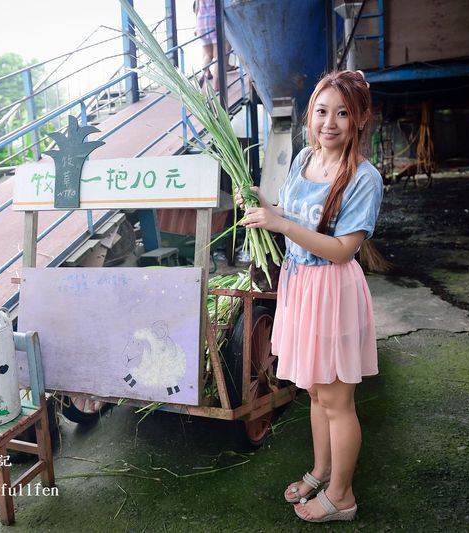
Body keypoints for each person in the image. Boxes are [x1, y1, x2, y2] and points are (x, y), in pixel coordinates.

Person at [236, 70, 382, 523]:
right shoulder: (303, 159)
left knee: (338, 401)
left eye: (343, 113)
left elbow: (342, 249)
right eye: (322, 111)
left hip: (333, 291)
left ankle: (342, 495)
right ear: (309, 117)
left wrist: (281, 225)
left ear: (360, 119)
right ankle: (321, 472)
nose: (330, 122)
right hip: (299, 285)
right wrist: (265, 206)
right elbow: (293, 217)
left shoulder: (363, 177)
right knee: (316, 393)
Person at [193, 0, 236, 90]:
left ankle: (205, 73)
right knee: (218, 57)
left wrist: (196, 26)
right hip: (214, 22)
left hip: (201, 23)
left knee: (208, 55)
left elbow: (197, 8)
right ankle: (217, 85)